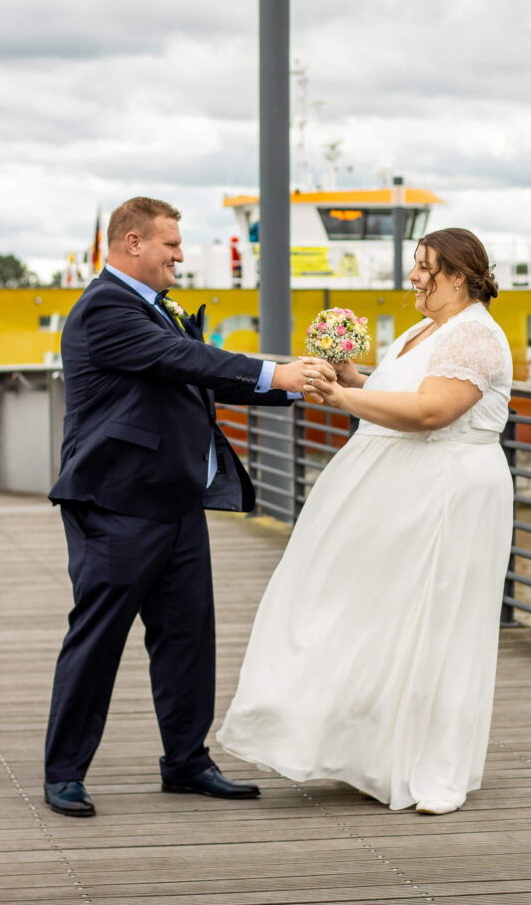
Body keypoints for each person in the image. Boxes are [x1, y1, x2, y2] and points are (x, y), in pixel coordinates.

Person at [43, 196, 334, 817]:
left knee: (187, 638)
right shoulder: (104, 308)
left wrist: (300, 387)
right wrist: (275, 371)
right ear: (132, 244)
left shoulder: (151, 309)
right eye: (171, 244)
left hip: (176, 501)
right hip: (116, 502)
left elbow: (199, 377)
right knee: (98, 638)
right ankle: (64, 770)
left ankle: (187, 761)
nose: (181, 255)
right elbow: (184, 358)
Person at [218, 227, 514, 815]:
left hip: (446, 495)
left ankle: (427, 763)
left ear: (459, 275)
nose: (414, 276)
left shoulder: (476, 334)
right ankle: (374, 752)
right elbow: (404, 388)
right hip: (404, 496)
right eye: (416, 264)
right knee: (380, 617)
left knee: (433, 622)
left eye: (425, 267)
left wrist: (341, 398)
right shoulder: (426, 329)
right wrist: (355, 378)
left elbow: (433, 410)